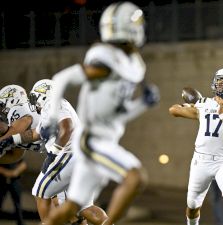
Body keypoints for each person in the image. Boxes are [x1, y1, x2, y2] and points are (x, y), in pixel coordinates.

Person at [43, 2, 159, 225]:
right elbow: (62, 78)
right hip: (92, 140)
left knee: (70, 209)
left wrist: (142, 105)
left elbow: (119, 114)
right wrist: (50, 119)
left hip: (106, 137)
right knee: (135, 177)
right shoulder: (106, 61)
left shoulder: (132, 63)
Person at [0, 79, 108, 225]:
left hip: (68, 155)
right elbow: (32, 136)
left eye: (35, 98)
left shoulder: (46, 105)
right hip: (80, 154)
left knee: (40, 192)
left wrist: (53, 154)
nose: (33, 103)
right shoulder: (47, 112)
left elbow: (64, 126)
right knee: (76, 206)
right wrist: (12, 141)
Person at [169, 68, 223, 225]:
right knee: (192, 206)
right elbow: (173, 110)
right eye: (220, 81)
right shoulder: (203, 104)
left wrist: (222, 114)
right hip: (201, 160)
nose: (222, 85)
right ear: (214, 83)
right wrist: (192, 106)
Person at [0, 85, 42, 164]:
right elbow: (16, 156)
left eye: (3, 104)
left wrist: (3, 141)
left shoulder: (19, 109)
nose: (3, 109)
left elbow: (25, 121)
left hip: (64, 146)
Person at [0, 159, 27, 225]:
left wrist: (16, 172)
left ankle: (20, 222)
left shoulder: (16, 154)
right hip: (1, 181)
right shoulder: (2, 154)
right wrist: (6, 172)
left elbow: (24, 164)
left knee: (17, 204)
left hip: (14, 181)